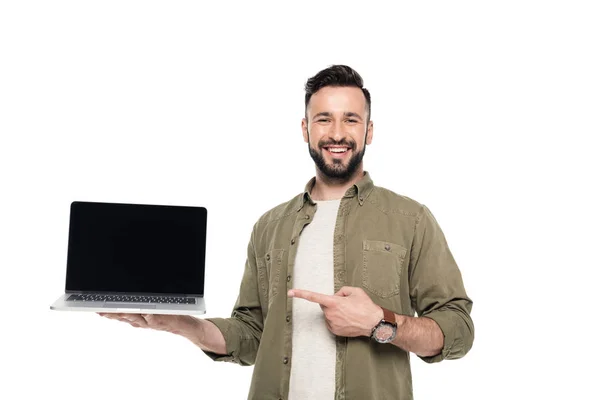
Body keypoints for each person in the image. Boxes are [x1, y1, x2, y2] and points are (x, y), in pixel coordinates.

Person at [100, 65, 474, 400]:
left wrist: (381, 322)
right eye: (324, 119)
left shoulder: (411, 218)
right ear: (305, 129)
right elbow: (251, 337)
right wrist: (181, 324)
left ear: (369, 131)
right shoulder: (269, 226)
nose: (337, 133)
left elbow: (458, 329)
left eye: (351, 120)